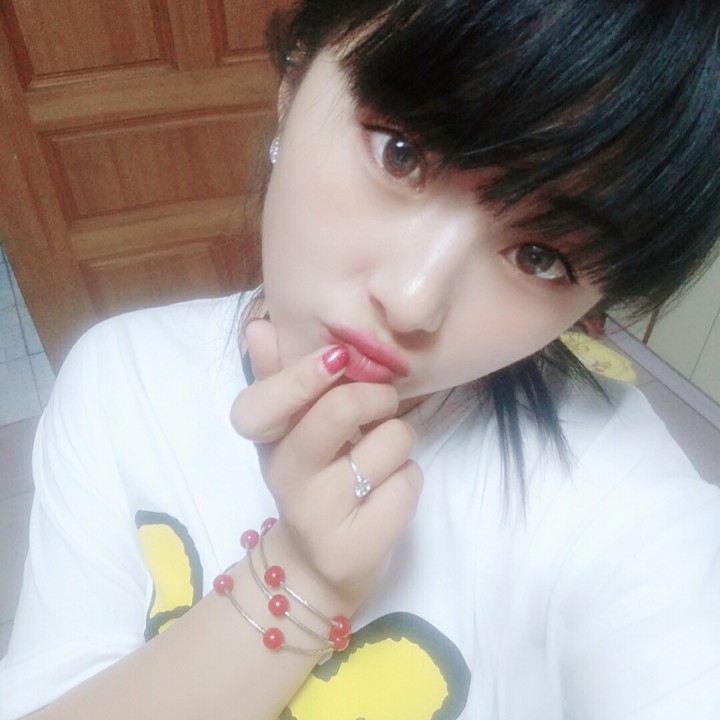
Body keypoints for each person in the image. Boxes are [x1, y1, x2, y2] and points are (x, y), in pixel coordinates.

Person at [1, 1, 719, 718]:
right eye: (399, 152)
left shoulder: (621, 502)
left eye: (539, 256)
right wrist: (302, 576)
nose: (411, 301)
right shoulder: (120, 380)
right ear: (293, 84)